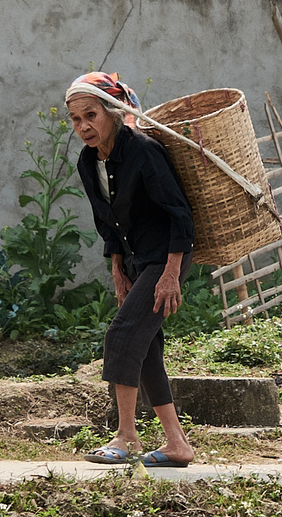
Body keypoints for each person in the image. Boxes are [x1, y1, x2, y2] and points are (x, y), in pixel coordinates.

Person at [64, 71, 197, 468]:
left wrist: (171, 273)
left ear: (112, 113)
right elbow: (107, 223)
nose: (84, 126)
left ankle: (126, 437)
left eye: (91, 115)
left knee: (122, 336)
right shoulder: (90, 162)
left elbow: (180, 215)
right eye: (75, 120)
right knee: (146, 346)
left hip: (166, 255)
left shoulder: (143, 150)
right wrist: (118, 271)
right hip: (137, 258)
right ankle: (177, 444)